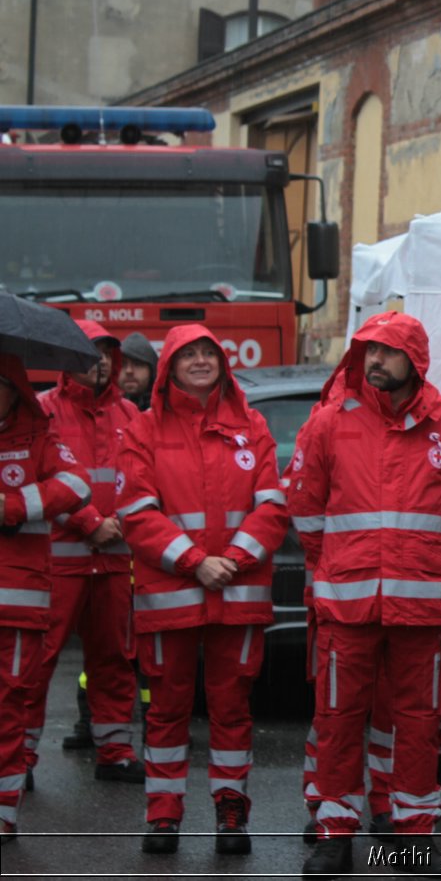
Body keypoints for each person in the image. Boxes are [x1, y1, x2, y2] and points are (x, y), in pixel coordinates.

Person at [289, 312, 441, 879]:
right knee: (337, 719)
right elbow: (305, 510)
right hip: (346, 605)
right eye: (368, 351)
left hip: (421, 609)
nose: (375, 361)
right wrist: (335, 566)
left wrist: (426, 571)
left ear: (416, 361)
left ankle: (414, 833)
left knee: (420, 722)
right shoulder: (328, 423)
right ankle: (334, 833)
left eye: (387, 352)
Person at [115, 325, 288, 856]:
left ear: (222, 362)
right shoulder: (144, 429)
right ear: (168, 366)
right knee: (166, 711)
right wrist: (195, 563)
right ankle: (163, 814)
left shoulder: (251, 424)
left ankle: (230, 810)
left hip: (235, 598)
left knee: (232, 710)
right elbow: (136, 514)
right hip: (172, 600)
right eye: (187, 355)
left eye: (207, 354)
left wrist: (229, 562)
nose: (198, 362)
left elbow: (273, 507)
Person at [25, 322, 143, 788]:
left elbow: (144, 481)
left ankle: (114, 751)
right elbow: (38, 481)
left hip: (114, 560)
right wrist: (91, 523)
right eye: (92, 353)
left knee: (114, 658)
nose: (102, 362)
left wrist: (122, 525)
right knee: (36, 663)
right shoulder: (41, 412)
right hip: (58, 559)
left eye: (109, 354)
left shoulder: (131, 414)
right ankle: (20, 759)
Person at [0, 352, 91, 844]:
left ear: (13, 389)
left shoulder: (37, 435)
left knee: (9, 708)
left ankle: (3, 811)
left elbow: (76, 486)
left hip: (16, 603)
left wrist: (13, 506)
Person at [118, 332, 158, 410]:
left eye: (137, 364)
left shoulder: (165, 410)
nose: (129, 371)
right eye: (122, 364)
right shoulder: (103, 411)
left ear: (152, 371)